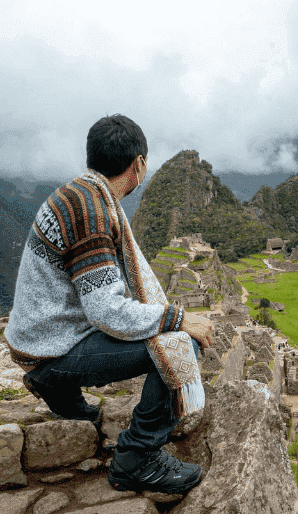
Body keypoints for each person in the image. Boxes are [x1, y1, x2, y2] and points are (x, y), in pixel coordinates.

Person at [4, 115, 214, 494]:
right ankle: (138, 457)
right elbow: (108, 311)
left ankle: (57, 392)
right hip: (52, 349)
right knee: (179, 344)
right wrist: (179, 319)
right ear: (139, 165)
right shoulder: (92, 211)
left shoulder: (77, 194)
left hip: (37, 339)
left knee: (166, 332)